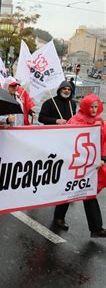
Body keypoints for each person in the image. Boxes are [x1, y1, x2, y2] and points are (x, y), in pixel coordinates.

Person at [53, 94, 106, 237]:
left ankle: (96, 228)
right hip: (75, 163)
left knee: (89, 192)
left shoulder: (100, 122)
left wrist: (102, 157)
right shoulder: (75, 121)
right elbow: (66, 141)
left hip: (91, 164)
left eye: (96, 107)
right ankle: (58, 217)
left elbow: (103, 142)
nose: (94, 110)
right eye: (91, 107)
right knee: (69, 190)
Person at [38, 81, 77, 229]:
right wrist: (55, 121)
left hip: (68, 146)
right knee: (49, 175)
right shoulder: (50, 102)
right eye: (64, 88)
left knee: (67, 180)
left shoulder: (73, 105)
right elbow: (41, 118)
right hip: (51, 144)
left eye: (69, 89)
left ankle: (59, 217)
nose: (66, 91)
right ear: (59, 89)